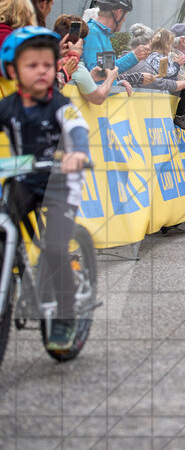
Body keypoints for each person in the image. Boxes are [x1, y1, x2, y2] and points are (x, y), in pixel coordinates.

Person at [0, 26, 91, 349]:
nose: (41, 71)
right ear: (12, 70)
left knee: (54, 248)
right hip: (23, 180)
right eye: (31, 65)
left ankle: (66, 314)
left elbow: (77, 127)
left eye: (47, 65)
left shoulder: (60, 104)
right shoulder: (7, 106)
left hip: (60, 183)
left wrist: (77, 153)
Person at [51, 14, 118, 104]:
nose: (84, 42)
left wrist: (90, 78)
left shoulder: (49, 61)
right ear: (74, 41)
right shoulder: (76, 67)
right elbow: (98, 98)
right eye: (82, 38)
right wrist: (110, 77)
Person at [81, 0, 145, 80]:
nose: (124, 20)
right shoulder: (92, 32)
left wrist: (118, 83)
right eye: (125, 15)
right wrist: (134, 56)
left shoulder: (102, 33)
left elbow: (107, 68)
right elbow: (100, 73)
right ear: (119, 13)